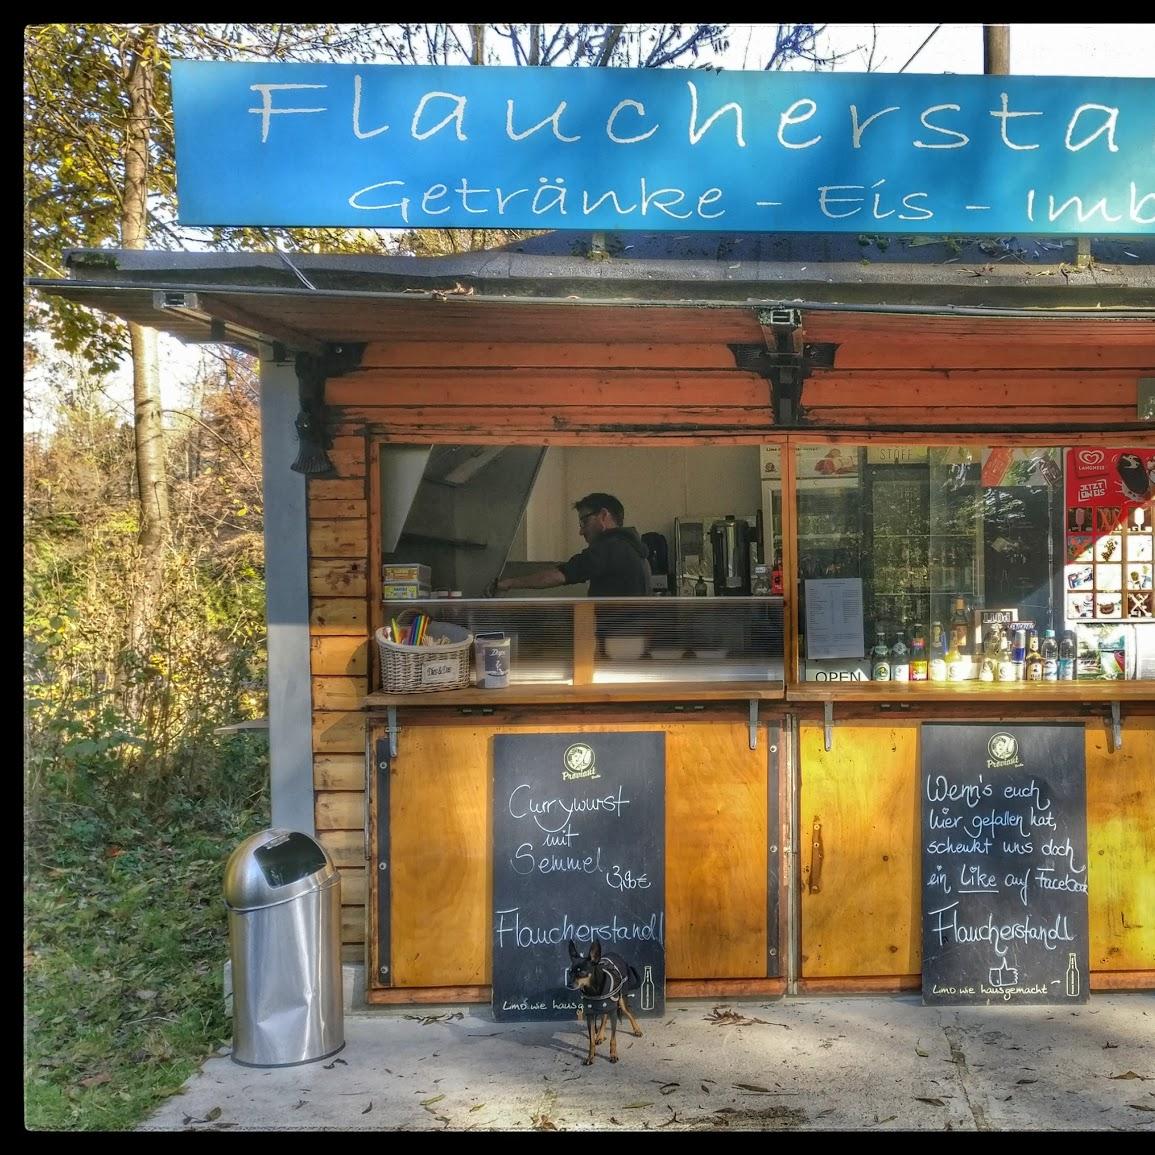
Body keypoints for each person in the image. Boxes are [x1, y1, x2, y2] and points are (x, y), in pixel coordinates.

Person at [491, 492, 651, 596]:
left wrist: (509, 583)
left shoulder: (609, 548)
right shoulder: (632, 547)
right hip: (634, 633)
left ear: (603, 515)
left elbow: (560, 575)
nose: (581, 531)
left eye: (584, 522)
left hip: (618, 635)